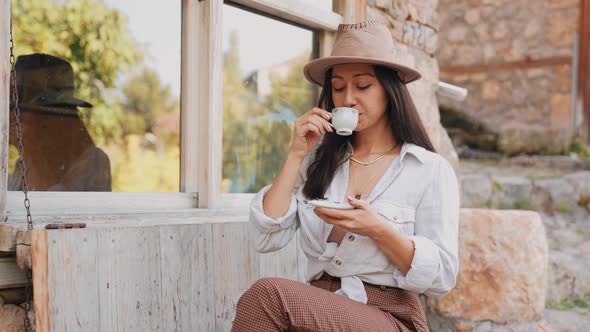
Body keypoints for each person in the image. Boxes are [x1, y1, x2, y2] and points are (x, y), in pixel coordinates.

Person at [232, 20, 459, 331]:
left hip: (390, 316)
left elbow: (443, 276)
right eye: (338, 88)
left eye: (363, 86)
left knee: (268, 296)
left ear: (389, 90)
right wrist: (296, 154)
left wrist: (380, 230)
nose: (348, 98)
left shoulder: (428, 170)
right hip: (318, 309)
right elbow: (266, 235)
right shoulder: (319, 161)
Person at [8, 53, 112, 192]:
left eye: (17, 107)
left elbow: (47, 209)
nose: (11, 115)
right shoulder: (23, 166)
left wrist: (29, 146)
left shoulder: (94, 163)